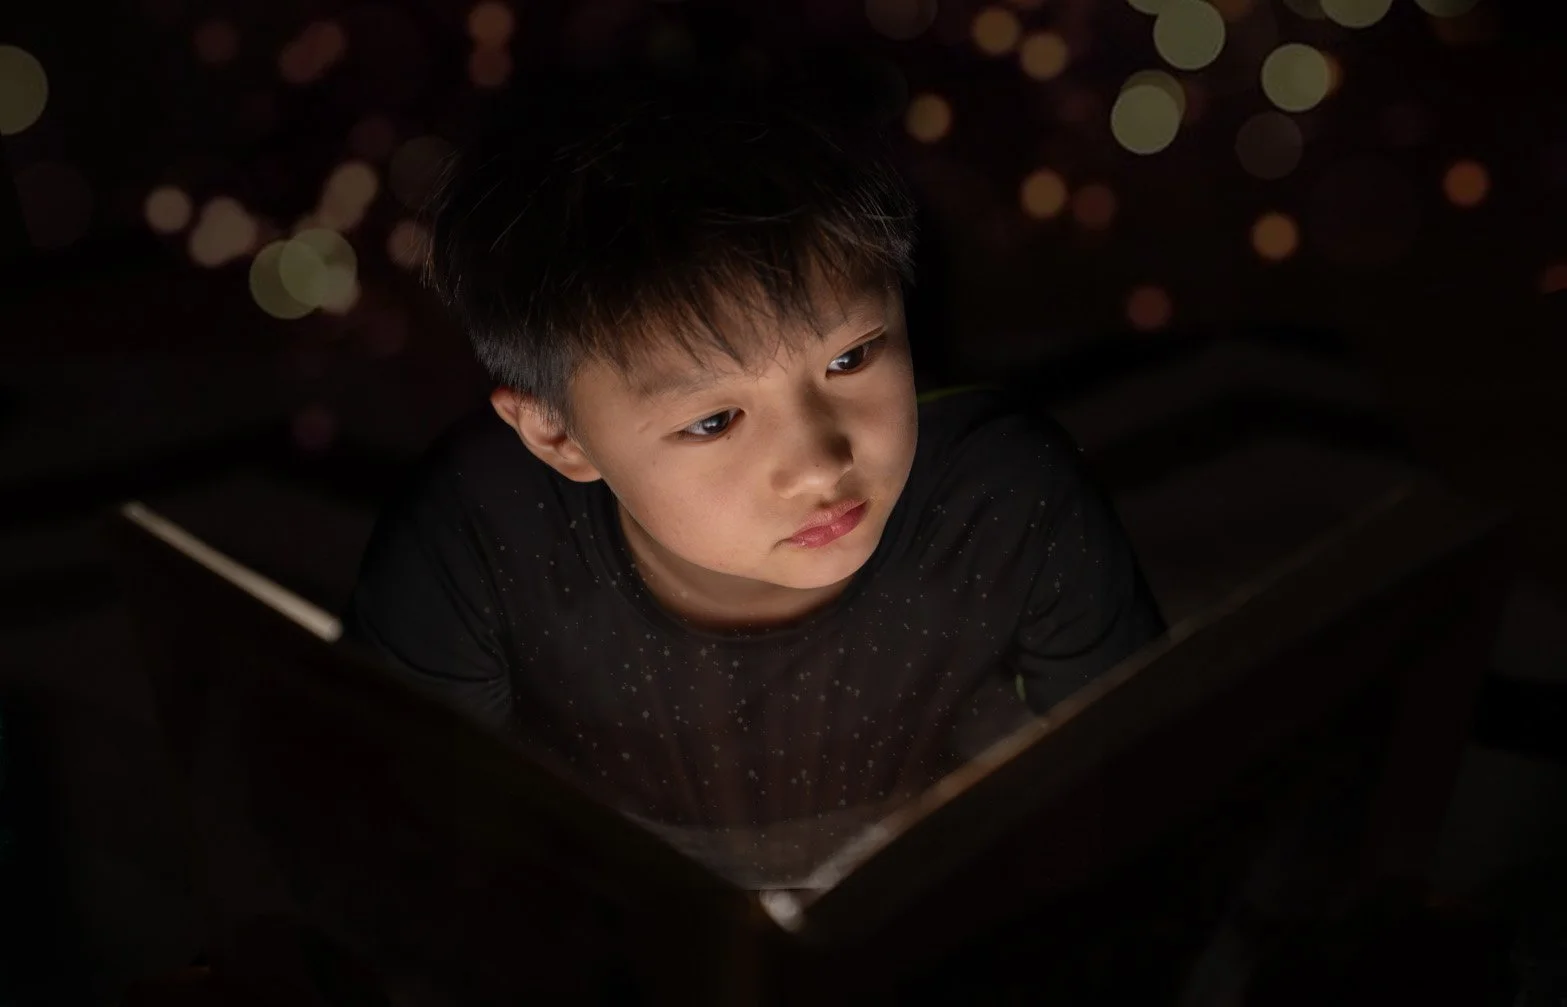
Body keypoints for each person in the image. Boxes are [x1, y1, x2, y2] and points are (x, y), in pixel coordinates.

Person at [342, 51, 1165, 887]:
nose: (819, 464)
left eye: (850, 359)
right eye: (713, 420)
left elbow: (1148, 792)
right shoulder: (480, 539)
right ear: (559, 437)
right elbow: (401, 850)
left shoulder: (1006, 497)